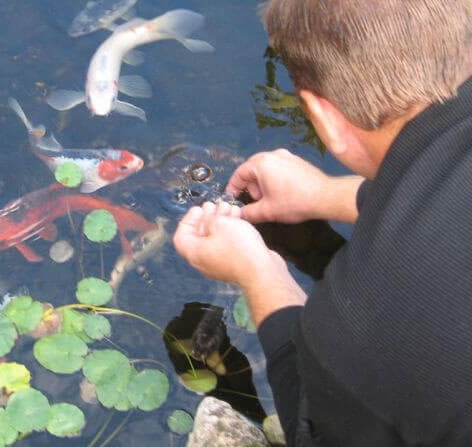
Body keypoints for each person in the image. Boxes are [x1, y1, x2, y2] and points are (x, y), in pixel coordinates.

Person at [173, 1, 472, 446]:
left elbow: (315, 427)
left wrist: (260, 274)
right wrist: (323, 194)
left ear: (326, 118)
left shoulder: (361, 329)